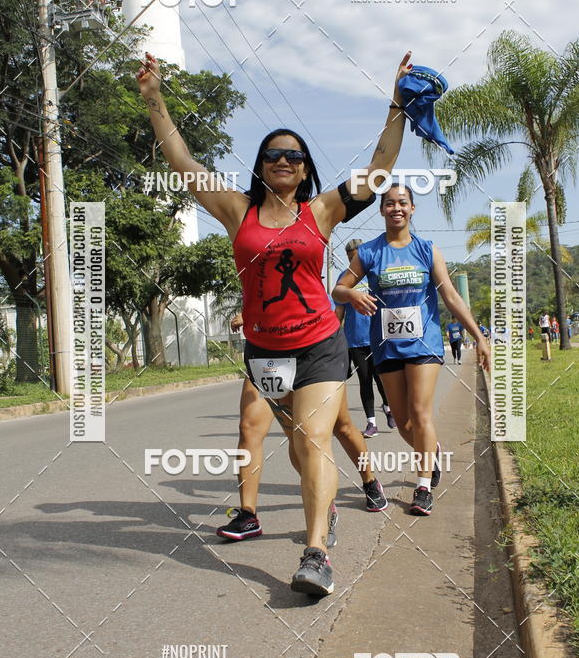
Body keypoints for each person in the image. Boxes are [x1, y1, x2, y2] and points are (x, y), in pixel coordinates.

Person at [137, 50, 411, 596]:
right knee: (297, 444)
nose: (282, 160)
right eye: (271, 155)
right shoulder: (236, 210)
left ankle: (317, 555)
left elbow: (379, 167)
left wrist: (397, 104)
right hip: (264, 352)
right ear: (261, 166)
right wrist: (154, 99)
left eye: (293, 155)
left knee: (313, 438)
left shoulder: (321, 211)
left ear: (305, 169)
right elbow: (183, 162)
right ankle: (324, 503)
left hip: (320, 344)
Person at [333, 184, 491, 517]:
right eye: (389, 203)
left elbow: (450, 296)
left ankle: (423, 486)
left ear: (412, 208)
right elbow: (338, 289)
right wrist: (353, 294)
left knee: (420, 414)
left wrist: (478, 336)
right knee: (404, 422)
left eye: (402, 203)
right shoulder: (369, 252)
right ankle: (431, 450)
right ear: (381, 210)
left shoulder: (427, 250)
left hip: (424, 344)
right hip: (386, 347)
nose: (396, 208)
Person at [215, 314, 388, 546]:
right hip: (266, 352)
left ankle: (369, 480)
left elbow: (328, 304)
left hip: (314, 349)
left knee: (342, 427)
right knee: (251, 428)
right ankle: (249, 514)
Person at [335, 239, 395, 437]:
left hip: (378, 337)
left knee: (381, 378)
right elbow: (339, 312)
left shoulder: (376, 274)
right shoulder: (343, 280)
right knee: (365, 380)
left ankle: (388, 407)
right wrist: (334, 338)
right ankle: (371, 423)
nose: (353, 262)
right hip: (355, 340)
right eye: (350, 258)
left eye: (356, 257)